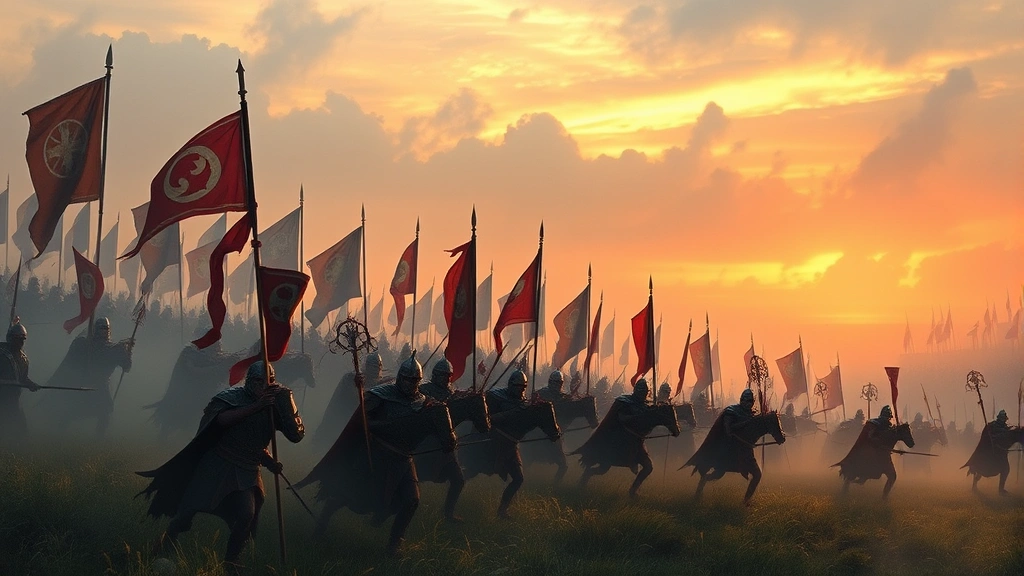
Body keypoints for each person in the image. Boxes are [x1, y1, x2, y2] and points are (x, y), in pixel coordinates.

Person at [137, 362, 304, 573]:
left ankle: (231, 562)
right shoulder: (230, 398)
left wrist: (284, 404)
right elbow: (219, 423)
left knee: (245, 514)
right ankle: (169, 539)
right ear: (249, 381)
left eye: (267, 382)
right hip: (217, 464)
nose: (262, 386)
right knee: (187, 510)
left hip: (247, 470)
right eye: (257, 381)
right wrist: (257, 406)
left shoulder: (274, 403)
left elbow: (293, 435)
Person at [47, 317, 133, 437]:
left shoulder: (114, 349)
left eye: (106, 329)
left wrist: (127, 354)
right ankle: (59, 434)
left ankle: (98, 441)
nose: (104, 331)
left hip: (102, 386)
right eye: (101, 328)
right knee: (74, 411)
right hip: (85, 382)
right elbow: (73, 362)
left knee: (105, 411)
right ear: (96, 329)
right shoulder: (85, 344)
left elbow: (126, 367)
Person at [314, 351, 385, 452]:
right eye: (372, 366)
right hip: (347, 419)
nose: (375, 369)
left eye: (378, 366)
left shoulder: (380, 384)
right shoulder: (351, 378)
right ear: (366, 366)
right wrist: (357, 385)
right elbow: (350, 398)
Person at [486, 369, 530, 519]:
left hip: (512, 445)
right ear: (511, 385)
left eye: (523, 387)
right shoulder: (497, 397)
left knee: (518, 479)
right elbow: (487, 419)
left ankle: (502, 511)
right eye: (518, 386)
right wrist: (509, 414)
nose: (521, 389)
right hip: (495, 443)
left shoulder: (524, 403)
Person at [962, 410, 1020, 494]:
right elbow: (988, 435)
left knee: (1006, 469)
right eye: (1003, 418)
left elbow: (1007, 434)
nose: (1004, 419)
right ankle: (974, 485)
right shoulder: (992, 425)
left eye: (1004, 418)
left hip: (1001, 452)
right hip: (991, 450)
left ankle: (1001, 490)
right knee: (980, 468)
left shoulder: (1005, 426)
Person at [0, 321, 40, 441]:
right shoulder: (2, 354)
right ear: (11, 338)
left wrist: (31, 384)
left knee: (20, 433)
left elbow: (22, 378)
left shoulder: (23, 358)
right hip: (1, 397)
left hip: (13, 399)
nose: (21, 342)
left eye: (23, 339)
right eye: (18, 339)